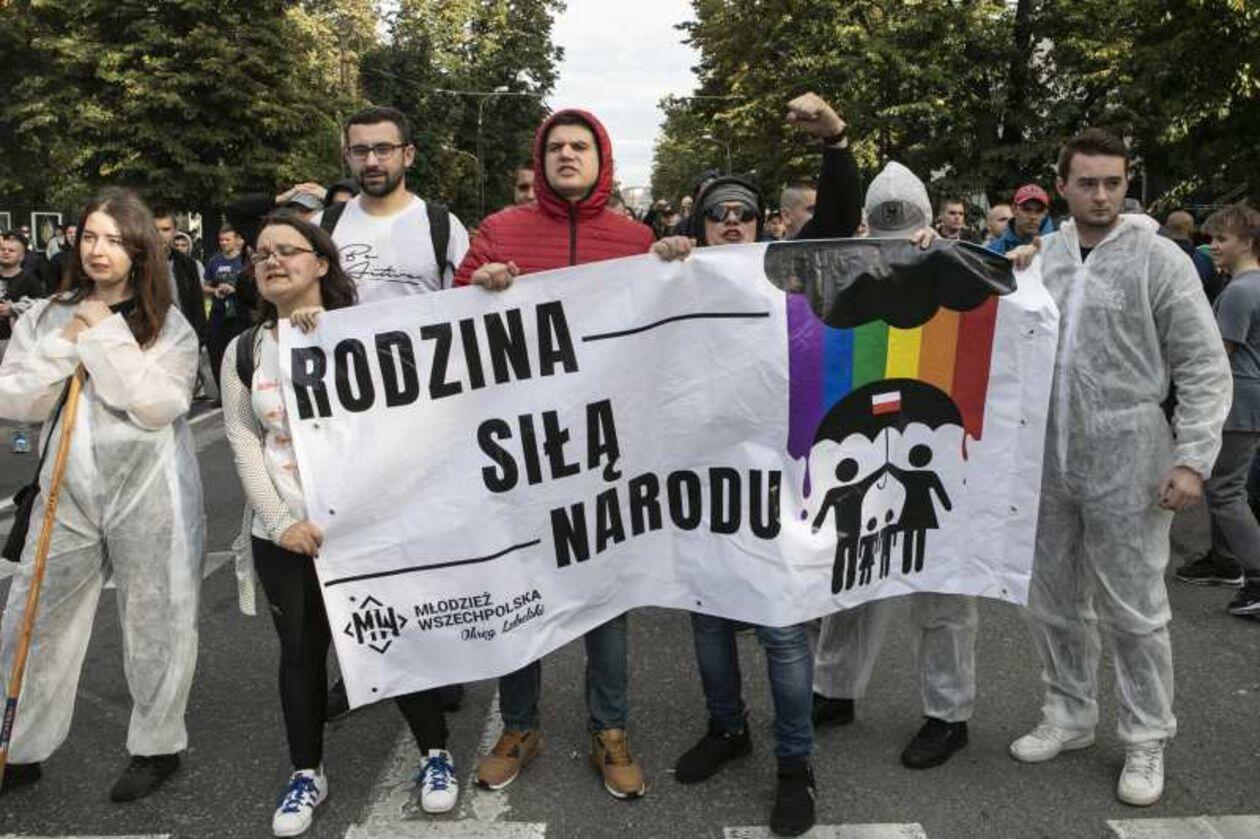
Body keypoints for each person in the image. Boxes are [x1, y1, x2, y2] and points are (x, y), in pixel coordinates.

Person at [1011, 129, 1230, 807]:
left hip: (1130, 450)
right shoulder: (1042, 258)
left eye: (1113, 182)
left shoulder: (1159, 260)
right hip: (1049, 453)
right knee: (1053, 598)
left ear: (1127, 183)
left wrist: (1192, 459)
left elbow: (1202, 364)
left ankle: (1145, 735)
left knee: (1135, 607)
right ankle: (1069, 712)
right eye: (1088, 183)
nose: (1102, 196)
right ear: (1063, 186)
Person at [221, 211, 459, 834]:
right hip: (287, 535)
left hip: (365, 528)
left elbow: (401, 424)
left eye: (287, 250)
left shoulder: (366, 334)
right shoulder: (244, 350)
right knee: (301, 654)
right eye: (261, 254)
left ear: (321, 263)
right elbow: (244, 442)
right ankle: (308, 772)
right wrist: (280, 522)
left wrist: (329, 335)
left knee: (393, 637)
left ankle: (435, 753)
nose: (272, 261)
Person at [454, 108, 654, 800]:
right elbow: (446, 321)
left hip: (603, 449)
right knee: (520, 587)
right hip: (521, 447)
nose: (567, 154)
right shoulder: (499, 231)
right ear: (540, 161)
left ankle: (610, 728)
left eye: (580, 146)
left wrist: (675, 266)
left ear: (602, 159)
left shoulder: (636, 240)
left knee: (607, 597)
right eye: (555, 147)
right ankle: (520, 725)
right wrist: (477, 288)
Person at [0, 188, 204, 801]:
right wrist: (70, 340)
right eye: (89, 236)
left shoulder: (167, 322)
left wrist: (106, 336)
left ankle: (157, 745)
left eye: (115, 239)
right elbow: (15, 397)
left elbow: (158, 405)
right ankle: (19, 746)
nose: (98, 250)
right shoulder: (48, 314)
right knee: (35, 617)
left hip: (149, 487)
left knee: (158, 616)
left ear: (140, 249)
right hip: (65, 490)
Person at [654, 174, 818, 837]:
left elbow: (849, 241)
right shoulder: (675, 278)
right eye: (718, 214)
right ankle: (727, 728)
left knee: (781, 627)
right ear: (699, 225)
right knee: (709, 617)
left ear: (762, 223)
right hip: (699, 478)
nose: (731, 222)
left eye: (743, 214)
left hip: (772, 480)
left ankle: (795, 764)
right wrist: (657, 262)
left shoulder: (789, 279)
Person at [807, 161, 976, 773]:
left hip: (935, 443)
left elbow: (1007, 293)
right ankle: (834, 691)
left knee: (942, 589)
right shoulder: (851, 276)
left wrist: (951, 257)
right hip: (865, 437)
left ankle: (948, 713)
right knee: (849, 576)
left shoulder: (959, 271)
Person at [1172, 204, 1260, 613]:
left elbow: (1216, 355)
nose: (1213, 247)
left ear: (1248, 242)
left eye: (1222, 239)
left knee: (1225, 490)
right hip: (1246, 399)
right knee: (1229, 486)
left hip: (1236, 400)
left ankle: (1256, 576)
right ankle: (1225, 561)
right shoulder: (1249, 285)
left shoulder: (1241, 291)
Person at [314, 106, 470, 302]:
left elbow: (467, 303)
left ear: (408, 155)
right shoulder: (320, 227)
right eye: (360, 151)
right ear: (348, 157)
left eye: (383, 149)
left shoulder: (444, 227)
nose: (371, 162)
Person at [1, 231, 47, 453]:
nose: (6, 252)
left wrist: (14, 308)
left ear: (21, 256)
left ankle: (21, 437)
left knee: (17, 393)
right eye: (3, 249)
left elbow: (41, 309)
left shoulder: (30, 281)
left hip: (14, 343)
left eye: (11, 250)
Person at [203, 224, 251, 390]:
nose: (223, 243)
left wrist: (235, 290)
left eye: (227, 240)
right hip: (219, 312)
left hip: (239, 313)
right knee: (216, 350)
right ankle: (222, 391)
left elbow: (253, 287)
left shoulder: (244, 260)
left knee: (239, 352)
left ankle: (242, 389)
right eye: (221, 240)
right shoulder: (214, 261)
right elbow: (205, 286)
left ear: (236, 240)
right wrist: (215, 291)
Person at [151, 206, 209, 343]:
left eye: (166, 229)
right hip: (148, 337)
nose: (159, 235)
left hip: (181, 337)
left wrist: (198, 339)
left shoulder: (188, 265)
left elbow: (197, 305)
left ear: (174, 231)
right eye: (154, 230)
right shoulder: (136, 263)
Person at [1164, 210, 1221, 301]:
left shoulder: (1153, 258)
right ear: (1192, 230)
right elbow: (1214, 295)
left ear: (1167, 228)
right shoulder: (1205, 261)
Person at [986, 184, 1055, 255]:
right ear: (1014, 210)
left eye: (1039, 211)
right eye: (1026, 209)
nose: (1033, 216)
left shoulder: (1057, 246)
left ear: (1045, 213)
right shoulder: (993, 250)